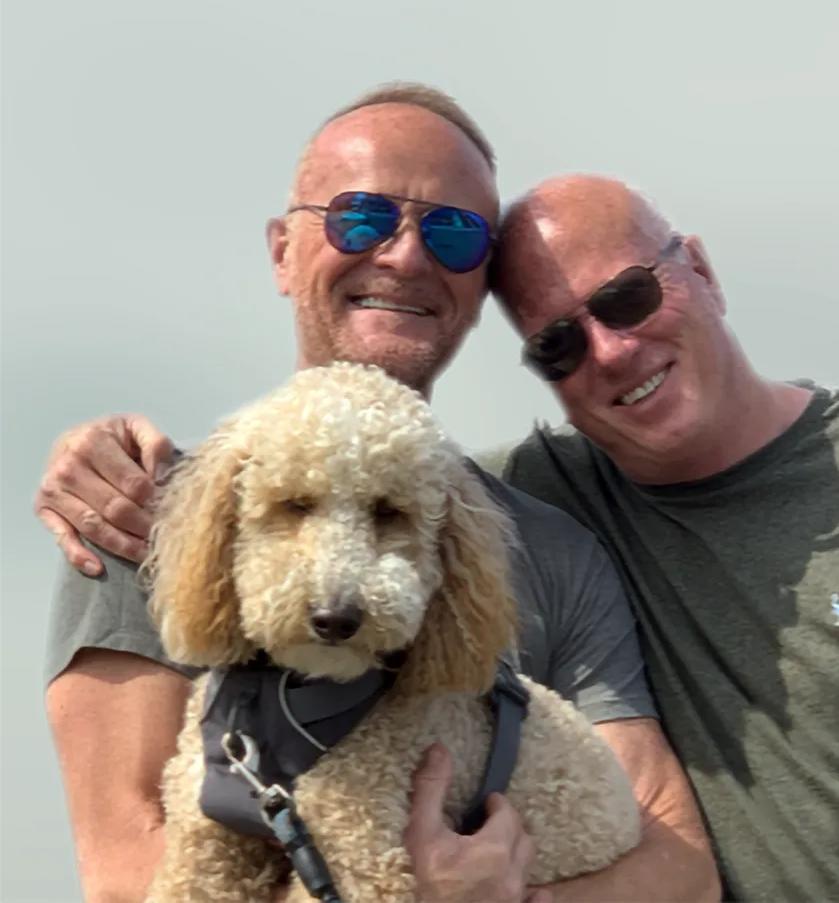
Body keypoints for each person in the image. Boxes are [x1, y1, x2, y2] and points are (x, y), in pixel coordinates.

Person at [40, 165, 839, 901]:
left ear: (701, 269)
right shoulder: (525, 497)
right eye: (557, 345)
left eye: (626, 298)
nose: (609, 350)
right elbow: (122, 867)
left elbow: (676, 858)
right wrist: (101, 450)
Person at [36, 87, 720, 903]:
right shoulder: (132, 505)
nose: (404, 257)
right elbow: (124, 877)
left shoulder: (556, 551)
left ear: (479, 288)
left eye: (454, 234)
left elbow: (680, 867)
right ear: (282, 251)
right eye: (360, 218)